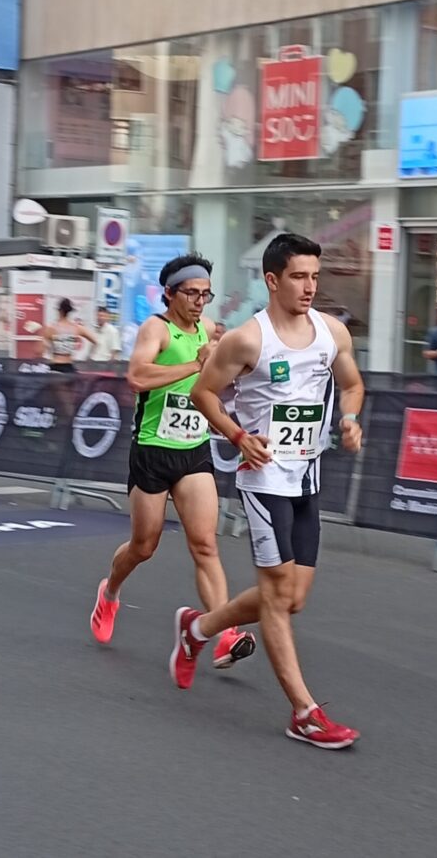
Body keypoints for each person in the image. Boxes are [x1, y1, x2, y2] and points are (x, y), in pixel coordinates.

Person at [169, 233, 364, 750]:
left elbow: (352, 382)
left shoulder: (332, 333)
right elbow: (201, 392)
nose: (309, 287)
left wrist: (350, 418)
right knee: (276, 595)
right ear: (273, 280)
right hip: (262, 480)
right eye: (299, 277)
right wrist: (237, 436)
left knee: (292, 599)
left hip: (307, 478)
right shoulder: (246, 340)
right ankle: (304, 711)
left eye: (316, 277)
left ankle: (197, 629)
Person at [90, 252, 257, 671]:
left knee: (205, 544)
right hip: (152, 450)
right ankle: (109, 593)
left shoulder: (209, 330)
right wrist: (193, 364)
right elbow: (137, 377)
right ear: (169, 294)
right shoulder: (156, 329)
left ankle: (222, 635)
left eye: (206, 294)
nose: (200, 301)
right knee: (144, 546)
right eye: (192, 294)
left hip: (194, 450)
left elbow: (227, 360)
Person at [41, 298, 97, 372]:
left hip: (55, 366)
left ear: (59, 311)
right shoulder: (77, 328)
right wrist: (89, 357)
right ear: (70, 312)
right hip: (69, 367)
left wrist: (50, 351)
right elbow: (95, 341)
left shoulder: (51, 328)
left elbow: (42, 348)